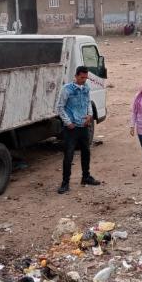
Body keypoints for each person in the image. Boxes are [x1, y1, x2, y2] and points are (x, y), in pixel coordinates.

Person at [56, 66, 100, 194]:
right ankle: (65, 183)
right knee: (69, 155)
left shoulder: (86, 87)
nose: (84, 80)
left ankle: (86, 177)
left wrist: (89, 115)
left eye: (86, 78)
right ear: (76, 76)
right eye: (82, 77)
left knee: (86, 152)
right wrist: (68, 122)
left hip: (84, 126)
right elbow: (60, 107)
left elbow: (88, 103)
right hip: (72, 128)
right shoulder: (67, 89)